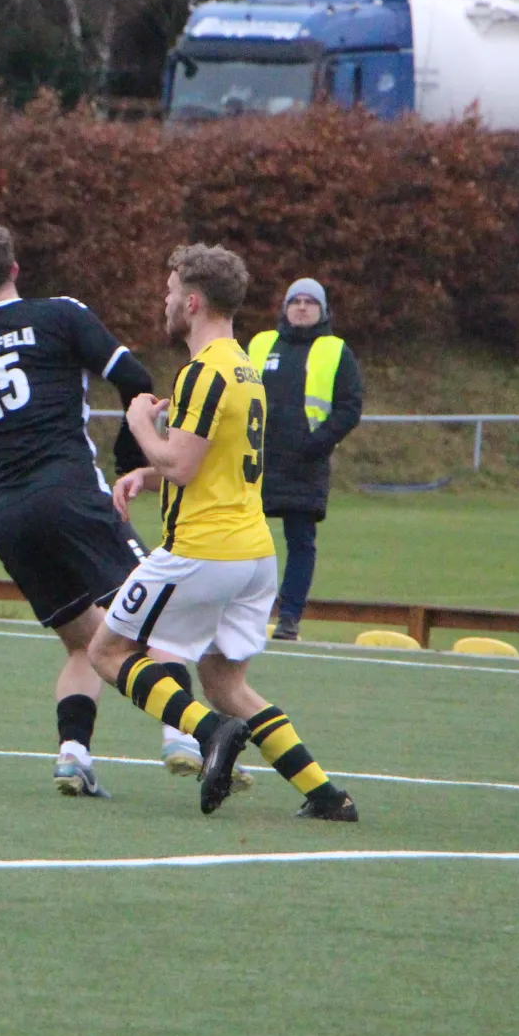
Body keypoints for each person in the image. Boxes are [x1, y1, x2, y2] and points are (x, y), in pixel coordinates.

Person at [82, 244, 358, 822]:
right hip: (254, 555)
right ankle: (327, 796)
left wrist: (139, 425)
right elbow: (211, 461)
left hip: (202, 551)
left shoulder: (203, 373)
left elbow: (182, 465)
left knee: (106, 651)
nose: (164, 300)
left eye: (169, 291)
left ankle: (211, 734)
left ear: (192, 301)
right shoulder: (245, 368)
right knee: (225, 682)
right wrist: (147, 473)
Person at [0, 217, 196, 798]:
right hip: (72, 494)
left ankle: (73, 755)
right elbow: (136, 380)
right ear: (14, 269)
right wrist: (131, 458)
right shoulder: (61, 314)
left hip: (8, 516)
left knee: (86, 641)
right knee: (160, 617)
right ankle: (183, 735)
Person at [245, 278, 363, 640]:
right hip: (257, 462)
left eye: (310, 301)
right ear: (284, 307)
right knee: (243, 539)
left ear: (322, 310)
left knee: (300, 542)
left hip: (305, 465)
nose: (301, 307)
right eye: (294, 300)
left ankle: (289, 617)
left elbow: (349, 407)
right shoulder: (261, 344)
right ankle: (243, 612)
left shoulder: (336, 351)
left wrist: (317, 444)